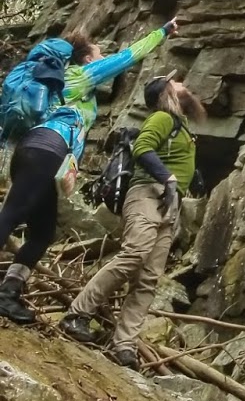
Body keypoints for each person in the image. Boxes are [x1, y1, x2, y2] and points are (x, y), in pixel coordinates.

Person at [0, 18, 177, 325]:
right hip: (46, 149)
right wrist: (163, 32)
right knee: (12, 214)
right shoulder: (79, 76)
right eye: (99, 54)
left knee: (42, 233)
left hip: (36, 152)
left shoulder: (58, 84)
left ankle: (8, 293)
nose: (103, 58)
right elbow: (128, 57)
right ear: (86, 59)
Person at [62, 74, 204, 367]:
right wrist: (168, 178)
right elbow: (142, 148)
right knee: (134, 255)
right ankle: (77, 314)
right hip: (147, 195)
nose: (184, 85)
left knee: (148, 278)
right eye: (176, 83)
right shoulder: (162, 118)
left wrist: (191, 177)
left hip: (169, 205)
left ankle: (123, 345)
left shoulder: (182, 126)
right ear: (166, 93)